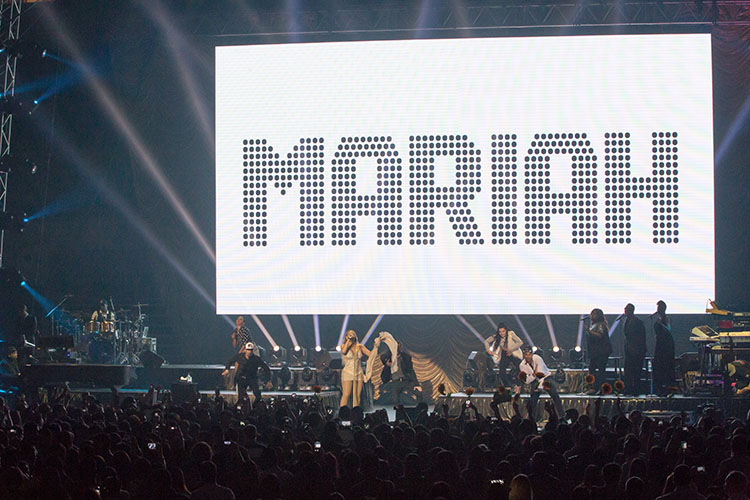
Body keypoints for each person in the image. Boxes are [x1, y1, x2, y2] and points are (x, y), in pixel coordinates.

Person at [515, 345, 564, 419]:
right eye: (526, 354)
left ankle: (562, 415)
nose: (528, 356)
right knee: (533, 399)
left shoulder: (537, 358)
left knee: (554, 394)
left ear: (532, 354)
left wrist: (539, 387)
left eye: (529, 354)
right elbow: (527, 381)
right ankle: (532, 419)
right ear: (524, 355)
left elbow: (541, 374)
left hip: (546, 377)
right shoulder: (522, 365)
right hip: (534, 380)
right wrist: (533, 376)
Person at [379, 340, 420, 405]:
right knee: (395, 398)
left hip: (406, 381)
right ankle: (399, 412)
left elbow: (411, 371)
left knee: (419, 393)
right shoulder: (389, 357)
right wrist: (387, 364)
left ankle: (419, 410)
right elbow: (382, 357)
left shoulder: (405, 357)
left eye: (399, 347)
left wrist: (416, 384)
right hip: (395, 382)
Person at [340, 330, 372, 408]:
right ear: (346, 337)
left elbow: (370, 354)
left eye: (353, 335)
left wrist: (376, 348)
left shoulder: (360, 346)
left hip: (358, 372)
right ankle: (343, 412)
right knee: (346, 394)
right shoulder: (343, 346)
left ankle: (356, 412)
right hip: (348, 372)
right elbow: (344, 352)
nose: (352, 336)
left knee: (357, 395)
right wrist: (348, 341)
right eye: (350, 335)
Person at [585, 308, 612, 389]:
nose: (592, 315)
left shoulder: (601, 325)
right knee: (592, 369)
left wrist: (589, 331)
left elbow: (600, 335)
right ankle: (592, 386)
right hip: (595, 352)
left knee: (600, 370)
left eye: (594, 314)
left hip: (601, 351)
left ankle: (600, 387)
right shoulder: (594, 325)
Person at [623, 303, 646, 395]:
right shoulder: (627, 320)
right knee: (628, 370)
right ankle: (628, 388)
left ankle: (636, 389)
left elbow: (640, 337)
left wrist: (640, 350)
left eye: (627, 309)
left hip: (637, 350)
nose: (625, 310)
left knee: (636, 371)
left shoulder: (637, 321)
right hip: (629, 350)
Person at [652, 300, 675, 395]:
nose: (657, 309)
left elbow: (668, 330)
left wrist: (660, 324)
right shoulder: (659, 319)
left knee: (665, 367)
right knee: (658, 368)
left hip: (666, 347)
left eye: (659, 307)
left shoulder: (665, 318)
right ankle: (659, 388)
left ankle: (666, 388)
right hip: (660, 346)